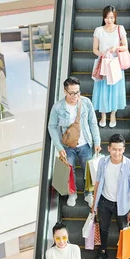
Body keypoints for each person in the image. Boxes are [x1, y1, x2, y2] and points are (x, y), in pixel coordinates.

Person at [48, 76, 102, 208]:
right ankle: (72, 194)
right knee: (69, 170)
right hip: (67, 146)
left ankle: (88, 193)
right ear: (65, 91)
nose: (75, 95)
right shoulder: (58, 107)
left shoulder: (86, 103)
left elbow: (93, 123)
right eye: (71, 93)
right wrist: (59, 147)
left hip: (85, 143)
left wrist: (97, 142)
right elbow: (52, 126)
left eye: (77, 92)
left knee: (88, 170)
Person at [92, 134, 130, 259]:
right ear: (108, 149)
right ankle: (102, 251)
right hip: (105, 202)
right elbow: (98, 182)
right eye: (114, 149)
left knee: (122, 230)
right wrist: (95, 203)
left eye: (119, 149)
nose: (116, 153)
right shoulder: (103, 162)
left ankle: (125, 255)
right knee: (103, 228)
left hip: (122, 204)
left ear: (124, 149)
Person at [92, 6, 128, 129]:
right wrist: (103, 55)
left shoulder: (120, 28)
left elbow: (125, 47)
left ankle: (113, 114)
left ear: (115, 17)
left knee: (115, 89)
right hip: (103, 62)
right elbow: (94, 49)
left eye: (112, 17)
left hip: (115, 63)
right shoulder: (98, 30)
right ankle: (103, 115)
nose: (109, 20)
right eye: (107, 17)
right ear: (103, 18)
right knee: (103, 90)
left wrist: (115, 48)